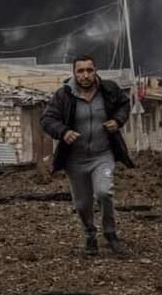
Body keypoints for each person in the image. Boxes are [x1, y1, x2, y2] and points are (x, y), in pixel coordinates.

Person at [41, 54, 134, 256]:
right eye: (80, 71)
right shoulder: (63, 95)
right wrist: (63, 132)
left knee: (104, 192)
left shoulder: (109, 89)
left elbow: (124, 105)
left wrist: (118, 121)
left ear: (95, 71)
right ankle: (90, 235)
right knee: (82, 204)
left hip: (103, 154)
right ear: (74, 73)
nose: (85, 75)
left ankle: (110, 234)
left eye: (89, 70)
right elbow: (47, 119)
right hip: (76, 159)